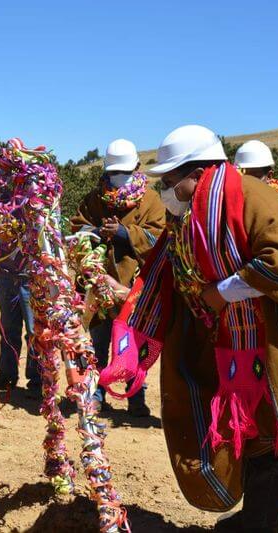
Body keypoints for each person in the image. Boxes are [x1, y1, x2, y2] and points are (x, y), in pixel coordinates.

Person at [108, 125, 278, 531]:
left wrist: (223, 293)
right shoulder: (188, 217)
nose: (165, 190)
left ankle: (264, 524)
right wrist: (124, 297)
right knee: (250, 437)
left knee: (275, 436)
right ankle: (257, 518)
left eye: (169, 181)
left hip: (272, 344)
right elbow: (165, 271)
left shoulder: (254, 198)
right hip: (224, 349)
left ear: (195, 173)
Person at [70, 138, 166, 417]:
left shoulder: (151, 201)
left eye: (122, 172)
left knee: (132, 346)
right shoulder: (93, 199)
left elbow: (158, 237)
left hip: (134, 287)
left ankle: (136, 399)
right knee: (98, 345)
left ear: (136, 167)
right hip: (100, 285)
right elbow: (77, 227)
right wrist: (96, 230)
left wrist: (125, 233)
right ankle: (97, 395)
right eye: (113, 173)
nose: (117, 178)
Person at [0, 242, 40, 397]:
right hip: (5, 276)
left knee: (35, 332)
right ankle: (6, 376)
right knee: (7, 329)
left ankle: (37, 382)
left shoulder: (38, 217)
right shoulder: (2, 216)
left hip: (31, 277)